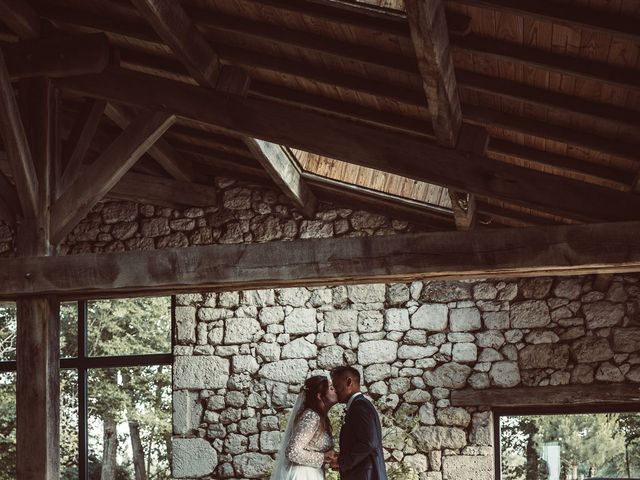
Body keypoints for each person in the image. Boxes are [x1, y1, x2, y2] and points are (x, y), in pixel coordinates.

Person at [271, 375, 338, 480]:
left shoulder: (321, 418)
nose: (335, 389)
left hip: (312, 472)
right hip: (303, 474)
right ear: (319, 396)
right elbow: (292, 451)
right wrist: (323, 457)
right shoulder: (312, 416)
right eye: (331, 388)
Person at [329, 366, 387, 480]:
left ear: (349, 382)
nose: (335, 390)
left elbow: (368, 443)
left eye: (337, 386)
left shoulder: (359, 406)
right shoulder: (359, 405)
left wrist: (342, 462)